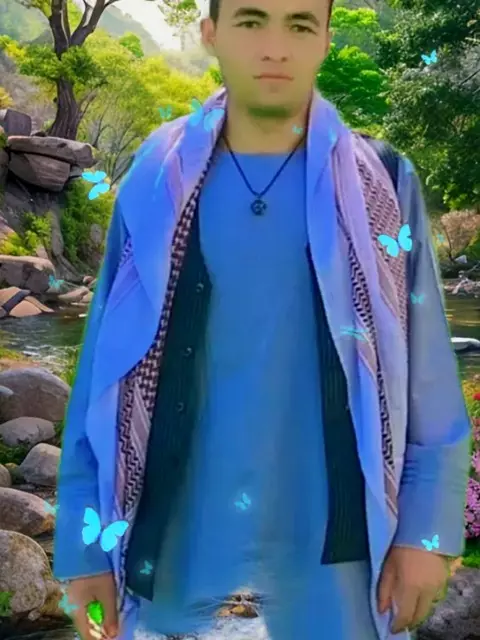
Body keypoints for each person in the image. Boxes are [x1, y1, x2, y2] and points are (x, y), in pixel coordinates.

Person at [53, 0, 471, 639]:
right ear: (211, 34)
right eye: (251, 21)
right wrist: (85, 550)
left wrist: (428, 534)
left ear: (325, 39)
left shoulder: (384, 182)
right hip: (175, 560)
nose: (275, 47)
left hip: (338, 563)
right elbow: (102, 371)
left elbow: (429, 374)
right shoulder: (156, 180)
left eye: (300, 24)